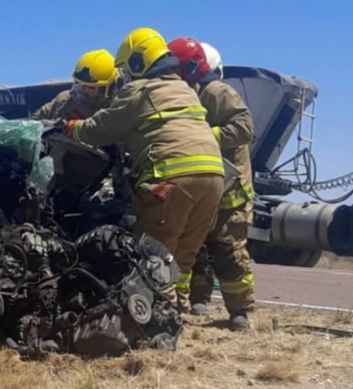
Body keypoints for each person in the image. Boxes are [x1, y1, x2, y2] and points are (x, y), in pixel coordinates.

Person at [63, 28, 225, 312]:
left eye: (126, 67)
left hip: (172, 178)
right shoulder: (185, 89)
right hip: (213, 179)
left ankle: (153, 321)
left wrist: (71, 128)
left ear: (138, 64)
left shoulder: (139, 90)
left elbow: (101, 129)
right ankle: (177, 313)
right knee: (181, 259)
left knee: (153, 255)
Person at [168, 38, 256, 330]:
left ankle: (239, 312)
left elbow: (244, 128)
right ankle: (183, 306)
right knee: (189, 249)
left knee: (228, 250)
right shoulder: (185, 94)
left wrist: (204, 137)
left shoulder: (217, 92)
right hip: (203, 186)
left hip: (229, 192)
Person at [33, 49, 118, 121]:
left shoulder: (116, 110)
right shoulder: (63, 102)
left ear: (107, 89)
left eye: (91, 87)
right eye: (79, 84)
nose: (84, 90)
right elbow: (34, 122)